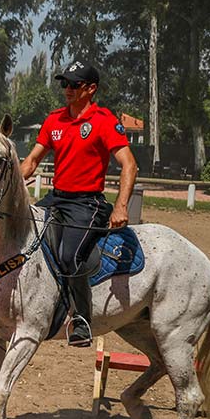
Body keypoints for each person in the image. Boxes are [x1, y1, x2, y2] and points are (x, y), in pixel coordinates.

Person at [19, 61, 138, 347]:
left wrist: (122, 206)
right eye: (64, 84)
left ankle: (82, 320)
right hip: (57, 197)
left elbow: (129, 165)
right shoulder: (54, 120)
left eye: (74, 85)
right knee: (24, 235)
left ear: (91, 89)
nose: (67, 90)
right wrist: (10, 183)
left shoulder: (104, 120)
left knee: (70, 255)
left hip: (87, 203)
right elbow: (32, 160)